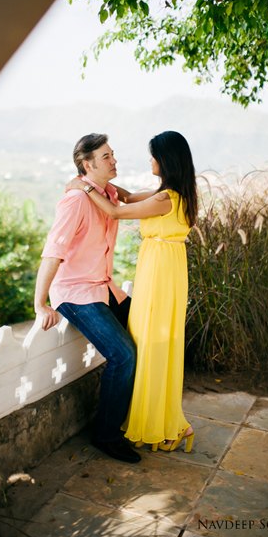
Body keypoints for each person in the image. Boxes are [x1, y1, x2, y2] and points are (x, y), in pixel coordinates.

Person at [66, 130, 199, 454]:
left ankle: (155, 421)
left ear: (165, 160)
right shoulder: (172, 194)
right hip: (167, 270)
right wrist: (102, 186)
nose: (150, 160)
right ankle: (156, 416)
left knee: (149, 342)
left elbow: (116, 212)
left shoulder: (165, 199)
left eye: (154, 155)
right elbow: (123, 198)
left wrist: (82, 186)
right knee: (154, 343)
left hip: (160, 275)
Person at [34, 133, 140, 464]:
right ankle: (106, 434)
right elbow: (53, 251)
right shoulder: (76, 200)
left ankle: (137, 418)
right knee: (123, 354)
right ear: (87, 164)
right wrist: (40, 303)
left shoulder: (105, 193)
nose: (114, 160)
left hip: (104, 286)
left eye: (113, 155)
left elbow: (131, 201)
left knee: (148, 333)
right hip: (76, 292)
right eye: (106, 156)